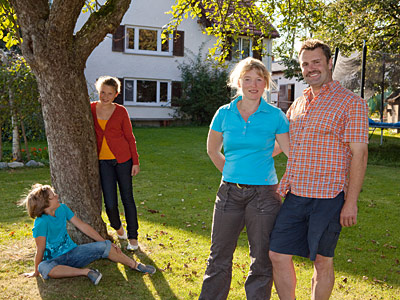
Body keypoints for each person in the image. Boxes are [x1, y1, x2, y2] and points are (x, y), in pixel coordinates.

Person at [269, 39, 369, 300]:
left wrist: (351, 202)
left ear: (329, 63)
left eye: (316, 62)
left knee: (322, 262)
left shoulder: (351, 103)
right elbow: (282, 144)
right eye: (305, 64)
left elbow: (359, 154)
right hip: (295, 193)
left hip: (329, 196)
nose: (310, 68)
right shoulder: (299, 104)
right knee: (277, 255)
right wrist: (245, 160)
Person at [199, 57, 290, 300]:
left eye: (259, 80)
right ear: (238, 82)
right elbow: (212, 149)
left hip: (264, 195)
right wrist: (230, 173)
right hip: (229, 193)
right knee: (219, 255)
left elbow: (289, 150)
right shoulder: (224, 113)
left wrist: (262, 156)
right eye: (247, 79)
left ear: (265, 84)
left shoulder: (275, 116)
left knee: (261, 258)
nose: (253, 84)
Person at [20, 184, 156, 285]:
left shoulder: (63, 208)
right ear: (45, 204)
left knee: (106, 247)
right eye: (53, 196)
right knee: (44, 267)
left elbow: (83, 226)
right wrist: (36, 271)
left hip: (73, 253)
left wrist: (105, 242)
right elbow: (41, 249)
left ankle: (135, 265)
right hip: (55, 262)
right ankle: (86, 272)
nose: (56, 195)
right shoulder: (41, 223)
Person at [91, 76, 140, 251]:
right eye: (102, 92)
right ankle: (119, 229)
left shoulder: (121, 112)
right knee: (110, 203)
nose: (105, 96)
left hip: (123, 160)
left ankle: (133, 237)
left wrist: (135, 161)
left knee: (127, 199)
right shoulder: (90, 108)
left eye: (109, 94)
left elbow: (130, 138)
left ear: (116, 94)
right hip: (103, 162)